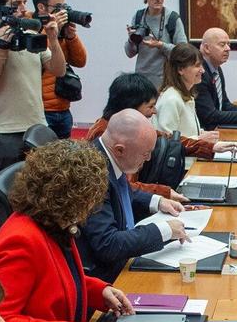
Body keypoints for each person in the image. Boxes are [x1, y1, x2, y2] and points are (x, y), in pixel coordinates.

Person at [0, 143, 136, 322]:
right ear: (71, 199)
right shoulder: (20, 241)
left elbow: (55, 280)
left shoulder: (52, 223)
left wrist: (98, 291)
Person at [0, 0, 61, 233]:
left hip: (36, 124)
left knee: (42, 190)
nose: (23, 8)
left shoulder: (33, 38)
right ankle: (3, 242)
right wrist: (2, 51)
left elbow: (58, 70)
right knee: (5, 192)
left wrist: (53, 40)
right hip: (5, 129)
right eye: (15, 4)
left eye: (24, 2)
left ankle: (36, 240)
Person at [78, 110, 190, 277]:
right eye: (145, 153)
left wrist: (157, 201)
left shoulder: (107, 156)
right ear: (120, 150)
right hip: (107, 276)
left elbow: (122, 192)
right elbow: (108, 244)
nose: (149, 158)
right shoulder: (91, 176)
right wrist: (164, 230)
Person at [87, 73, 191, 200]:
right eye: (150, 106)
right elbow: (123, 187)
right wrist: (163, 193)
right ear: (131, 108)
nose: (155, 111)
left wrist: (209, 148)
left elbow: (168, 139)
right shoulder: (105, 136)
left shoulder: (130, 129)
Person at [32, 0, 88, 142]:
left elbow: (80, 61)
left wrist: (71, 36)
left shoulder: (62, 30)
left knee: (64, 156)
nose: (62, 12)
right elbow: (38, 56)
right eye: (57, 7)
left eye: (64, 6)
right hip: (41, 110)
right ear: (41, 7)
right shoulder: (31, 29)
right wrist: (51, 33)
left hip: (63, 106)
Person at [124, 0, 185, 92]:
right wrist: (131, 40)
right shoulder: (138, 16)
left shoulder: (172, 18)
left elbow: (183, 52)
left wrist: (160, 45)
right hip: (142, 81)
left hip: (166, 82)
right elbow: (129, 53)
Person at [196, 26, 237, 129]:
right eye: (222, 45)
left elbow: (224, 104)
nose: (228, 49)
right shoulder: (199, 73)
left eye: (228, 44)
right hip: (205, 133)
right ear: (207, 48)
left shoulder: (216, 69)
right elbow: (209, 115)